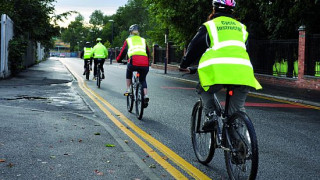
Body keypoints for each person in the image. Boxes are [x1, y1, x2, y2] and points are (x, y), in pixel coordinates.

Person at [179, 0, 262, 130]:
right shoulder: (241, 27)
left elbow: (194, 48)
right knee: (236, 112)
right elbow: (244, 52)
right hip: (243, 72)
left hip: (218, 72)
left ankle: (211, 115)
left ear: (214, 9)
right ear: (232, 11)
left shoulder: (210, 26)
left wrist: (184, 64)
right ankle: (240, 146)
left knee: (203, 88)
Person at [116, 24, 150, 106]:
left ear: (130, 32)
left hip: (134, 61)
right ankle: (145, 95)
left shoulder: (128, 40)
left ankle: (128, 89)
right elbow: (148, 52)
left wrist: (118, 60)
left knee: (129, 70)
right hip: (145, 62)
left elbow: (123, 52)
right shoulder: (143, 40)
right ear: (138, 32)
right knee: (143, 79)